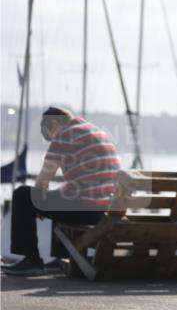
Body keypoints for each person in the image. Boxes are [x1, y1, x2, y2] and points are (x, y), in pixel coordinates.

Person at [2, 106, 121, 276]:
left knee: (23, 195)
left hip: (85, 208)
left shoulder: (64, 135)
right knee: (59, 195)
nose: (52, 141)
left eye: (50, 136)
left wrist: (38, 204)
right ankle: (61, 258)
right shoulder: (98, 133)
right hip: (104, 210)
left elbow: (43, 180)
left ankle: (31, 260)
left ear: (55, 123)